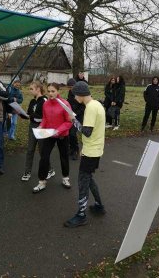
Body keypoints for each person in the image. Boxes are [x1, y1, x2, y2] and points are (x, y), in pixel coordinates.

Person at [64, 81, 106, 228]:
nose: (74, 97)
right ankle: (99, 206)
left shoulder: (90, 108)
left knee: (83, 181)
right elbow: (94, 132)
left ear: (79, 94)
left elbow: (87, 132)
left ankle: (81, 215)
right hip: (94, 149)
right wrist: (85, 147)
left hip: (92, 151)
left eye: (74, 94)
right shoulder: (97, 104)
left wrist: (73, 120)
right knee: (88, 178)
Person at [33, 83, 73, 193]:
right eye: (49, 91)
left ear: (58, 91)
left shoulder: (65, 104)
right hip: (49, 134)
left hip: (62, 135)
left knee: (64, 157)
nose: (50, 93)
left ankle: (65, 178)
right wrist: (41, 126)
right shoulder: (46, 104)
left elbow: (69, 122)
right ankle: (42, 182)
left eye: (53, 91)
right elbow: (45, 119)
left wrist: (58, 130)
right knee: (44, 157)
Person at [21, 81, 55, 181]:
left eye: (32, 89)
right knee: (30, 150)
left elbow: (46, 117)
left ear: (38, 89)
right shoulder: (32, 101)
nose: (30, 91)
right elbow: (29, 114)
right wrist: (21, 113)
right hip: (32, 127)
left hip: (42, 127)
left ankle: (49, 170)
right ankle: (27, 172)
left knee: (42, 151)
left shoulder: (44, 100)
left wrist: (32, 116)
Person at [67, 78, 85, 160]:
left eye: (72, 86)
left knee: (73, 133)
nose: (71, 88)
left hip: (79, 117)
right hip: (71, 116)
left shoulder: (80, 93)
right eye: (69, 87)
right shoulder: (70, 93)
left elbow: (83, 106)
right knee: (69, 133)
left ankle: (76, 150)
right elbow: (69, 102)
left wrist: (76, 113)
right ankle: (71, 148)